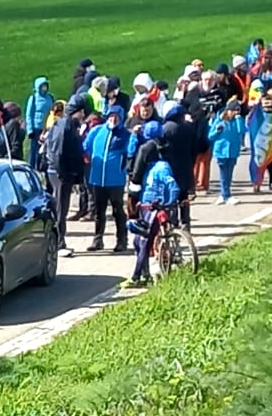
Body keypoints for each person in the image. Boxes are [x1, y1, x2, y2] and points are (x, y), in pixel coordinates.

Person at [126, 154, 182, 287]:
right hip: (145, 207)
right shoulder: (148, 167)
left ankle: (136, 276)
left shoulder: (162, 168)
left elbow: (173, 187)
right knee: (137, 241)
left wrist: (167, 203)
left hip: (155, 208)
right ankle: (146, 275)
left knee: (144, 242)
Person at [85, 107, 131, 253]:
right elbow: (86, 146)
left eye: (116, 117)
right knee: (99, 211)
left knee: (118, 211)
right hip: (98, 179)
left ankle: (122, 241)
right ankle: (97, 240)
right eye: (111, 116)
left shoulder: (125, 135)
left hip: (115, 180)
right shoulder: (97, 131)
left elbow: (130, 151)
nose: (113, 119)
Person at [45, 102, 87, 255]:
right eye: (82, 112)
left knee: (60, 208)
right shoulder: (67, 126)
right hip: (61, 173)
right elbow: (59, 152)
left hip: (56, 172)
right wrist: (64, 173)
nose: (83, 115)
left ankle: (58, 241)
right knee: (61, 209)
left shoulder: (60, 124)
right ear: (78, 111)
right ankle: (59, 243)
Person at [209, 97, 246, 204]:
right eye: (234, 111)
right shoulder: (219, 120)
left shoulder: (237, 120)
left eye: (238, 111)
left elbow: (241, 131)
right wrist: (216, 130)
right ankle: (225, 194)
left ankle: (226, 194)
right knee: (223, 174)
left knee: (229, 174)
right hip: (221, 151)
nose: (236, 113)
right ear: (229, 110)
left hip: (233, 151)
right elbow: (210, 136)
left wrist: (239, 119)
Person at [24, 78, 55, 168]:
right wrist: (30, 130)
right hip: (36, 129)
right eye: (42, 86)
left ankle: (43, 167)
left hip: (48, 127)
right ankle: (32, 168)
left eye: (45, 86)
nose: (44, 88)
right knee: (34, 151)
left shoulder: (50, 97)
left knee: (46, 150)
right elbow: (29, 115)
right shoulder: (33, 98)